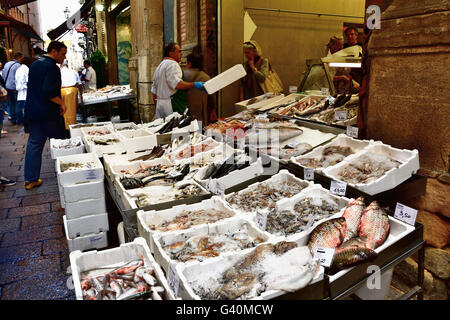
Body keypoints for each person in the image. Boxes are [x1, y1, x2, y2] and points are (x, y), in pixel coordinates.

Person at [24, 41, 67, 190]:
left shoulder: (35, 64)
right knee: (61, 143)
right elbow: (49, 92)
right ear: (53, 51)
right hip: (48, 114)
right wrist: (61, 103)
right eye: (63, 53)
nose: (64, 57)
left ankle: (30, 179)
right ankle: (66, 175)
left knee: (34, 144)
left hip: (33, 111)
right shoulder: (52, 68)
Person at [151, 42, 206, 119]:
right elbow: (177, 84)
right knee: (177, 129)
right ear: (171, 53)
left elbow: (153, 92)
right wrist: (194, 84)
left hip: (160, 104)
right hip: (173, 105)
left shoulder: (159, 66)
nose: (182, 54)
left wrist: (159, 105)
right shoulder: (173, 64)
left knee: (163, 129)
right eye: (179, 51)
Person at [184, 52, 217, 126]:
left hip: (186, 112)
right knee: (199, 132)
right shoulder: (205, 77)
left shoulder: (183, 76)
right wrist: (213, 110)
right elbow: (211, 97)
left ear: (189, 63)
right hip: (201, 113)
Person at [2, 52, 24, 124]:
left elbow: (3, 75)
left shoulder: (7, 64)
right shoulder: (18, 65)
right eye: (22, 58)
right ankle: (19, 120)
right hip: (14, 87)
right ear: (19, 57)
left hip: (7, 86)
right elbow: (19, 77)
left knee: (11, 103)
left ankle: (13, 119)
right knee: (18, 103)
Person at [61, 60, 83, 131]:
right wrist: (81, 95)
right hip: (72, 91)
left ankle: (64, 126)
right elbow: (79, 84)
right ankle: (72, 126)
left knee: (63, 110)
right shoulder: (73, 71)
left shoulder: (58, 72)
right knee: (72, 110)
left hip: (62, 91)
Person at [15, 57, 34, 126]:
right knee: (26, 109)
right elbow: (28, 80)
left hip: (20, 91)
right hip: (25, 92)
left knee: (21, 108)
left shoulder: (19, 69)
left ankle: (21, 121)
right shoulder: (26, 69)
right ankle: (27, 123)